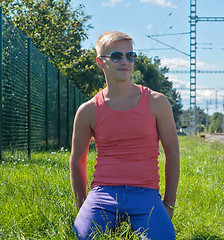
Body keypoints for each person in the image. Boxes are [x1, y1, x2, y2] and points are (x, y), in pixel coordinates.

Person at [70, 31, 180, 240]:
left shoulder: (157, 102)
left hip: (146, 194)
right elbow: (77, 161)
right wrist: (82, 204)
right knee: (84, 237)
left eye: (130, 56)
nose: (125, 61)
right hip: (102, 194)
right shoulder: (88, 110)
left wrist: (169, 204)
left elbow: (172, 152)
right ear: (101, 62)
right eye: (116, 56)